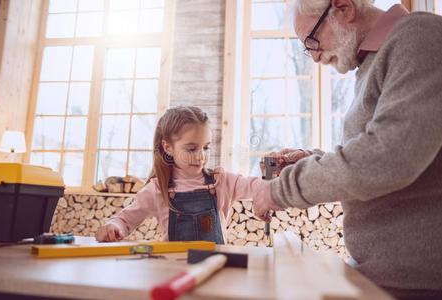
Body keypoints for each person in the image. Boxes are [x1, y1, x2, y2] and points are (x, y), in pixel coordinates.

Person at [253, 0, 442, 299]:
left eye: (312, 41)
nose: (314, 57)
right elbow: (370, 154)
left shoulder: (419, 36)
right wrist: (314, 160)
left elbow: (387, 158)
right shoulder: (371, 64)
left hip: (418, 284)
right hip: (382, 274)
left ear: (343, 8)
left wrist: (278, 191)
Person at [96, 106, 271, 244]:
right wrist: (114, 226)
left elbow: (255, 185)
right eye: (191, 148)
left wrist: (272, 185)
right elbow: (125, 220)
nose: (201, 155)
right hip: (173, 272)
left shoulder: (221, 181)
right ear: (168, 148)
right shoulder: (158, 189)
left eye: (206, 147)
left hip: (215, 272)